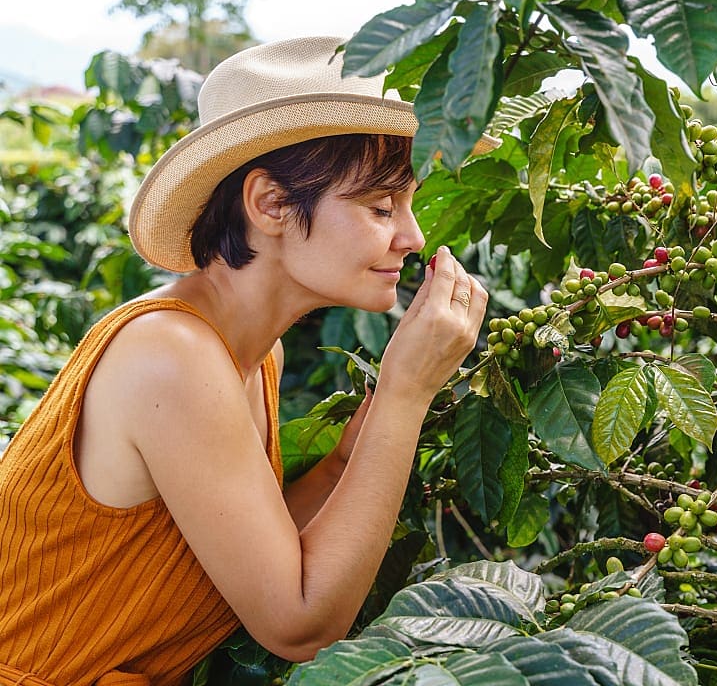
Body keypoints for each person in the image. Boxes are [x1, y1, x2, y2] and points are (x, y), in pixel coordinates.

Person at [0, 36, 495, 685]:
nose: (414, 237)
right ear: (270, 205)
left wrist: (354, 450)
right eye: (381, 206)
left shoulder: (248, 347)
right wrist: (405, 392)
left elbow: (261, 554)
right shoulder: (173, 356)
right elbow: (300, 623)